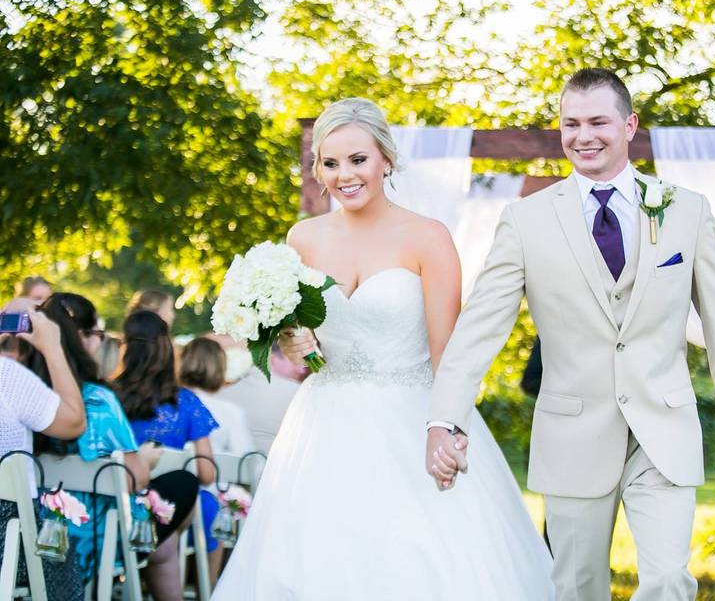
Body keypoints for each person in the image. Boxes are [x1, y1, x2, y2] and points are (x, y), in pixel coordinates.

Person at [427, 68, 715, 601]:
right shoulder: (525, 220)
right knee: (578, 586)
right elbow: (479, 329)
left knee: (668, 580)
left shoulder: (686, 210)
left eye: (598, 122)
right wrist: (444, 418)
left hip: (663, 426)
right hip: (573, 433)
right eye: (571, 124)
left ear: (629, 125)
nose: (584, 136)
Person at [213, 97, 554, 599]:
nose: (344, 175)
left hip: (414, 416)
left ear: (386, 160)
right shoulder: (302, 237)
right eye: (330, 163)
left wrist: (449, 429)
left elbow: (448, 354)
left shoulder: (428, 238)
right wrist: (295, 343)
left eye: (358, 160)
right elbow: (309, 357)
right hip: (323, 423)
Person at [23, 294, 198, 599]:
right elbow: (136, 478)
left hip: (31, 533)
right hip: (93, 541)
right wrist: (145, 458)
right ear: (83, 339)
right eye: (98, 336)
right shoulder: (98, 400)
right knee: (183, 482)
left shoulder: (24, 390)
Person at [114, 311, 224, 585]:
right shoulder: (186, 402)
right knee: (196, 506)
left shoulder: (109, 397)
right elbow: (207, 473)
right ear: (166, 350)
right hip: (170, 510)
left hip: (115, 505)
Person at [0, 303, 85, 601]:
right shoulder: (6, 377)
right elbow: (73, 422)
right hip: (6, 548)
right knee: (59, 556)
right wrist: (52, 347)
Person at [216, 343, 303, 455]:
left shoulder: (221, 394)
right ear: (272, 359)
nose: (302, 369)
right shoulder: (298, 392)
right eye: (295, 362)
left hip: (232, 468)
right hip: (276, 467)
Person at [179, 338, 255, 457]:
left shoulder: (162, 404)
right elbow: (247, 463)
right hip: (214, 473)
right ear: (220, 368)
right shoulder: (230, 412)